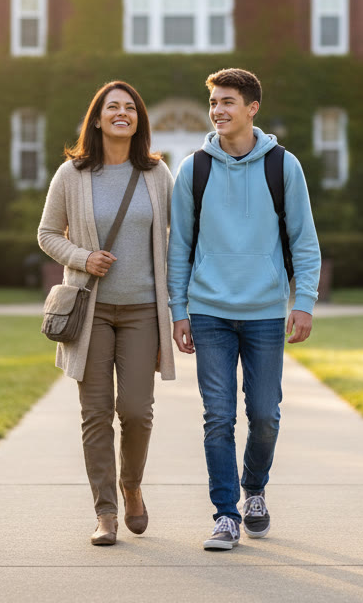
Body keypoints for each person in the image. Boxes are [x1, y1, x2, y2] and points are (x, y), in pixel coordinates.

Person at [167, 67, 321, 551]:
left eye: (227, 101)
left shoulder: (283, 166)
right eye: (213, 102)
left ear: (252, 108)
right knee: (218, 417)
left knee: (265, 415)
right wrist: (178, 310)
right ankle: (226, 514)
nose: (218, 110)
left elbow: (304, 240)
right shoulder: (194, 169)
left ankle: (254, 489)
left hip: (265, 312)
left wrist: (304, 302)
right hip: (209, 310)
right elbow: (179, 247)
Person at [38, 80, 177, 546]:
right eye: (112, 107)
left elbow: (178, 238)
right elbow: (46, 233)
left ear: (139, 120)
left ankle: (131, 485)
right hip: (90, 311)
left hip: (143, 310)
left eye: (130, 108)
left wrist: (180, 305)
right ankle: (105, 513)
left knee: (136, 411)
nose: (122, 113)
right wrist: (82, 257)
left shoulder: (157, 174)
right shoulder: (71, 174)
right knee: (95, 413)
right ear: (96, 120)